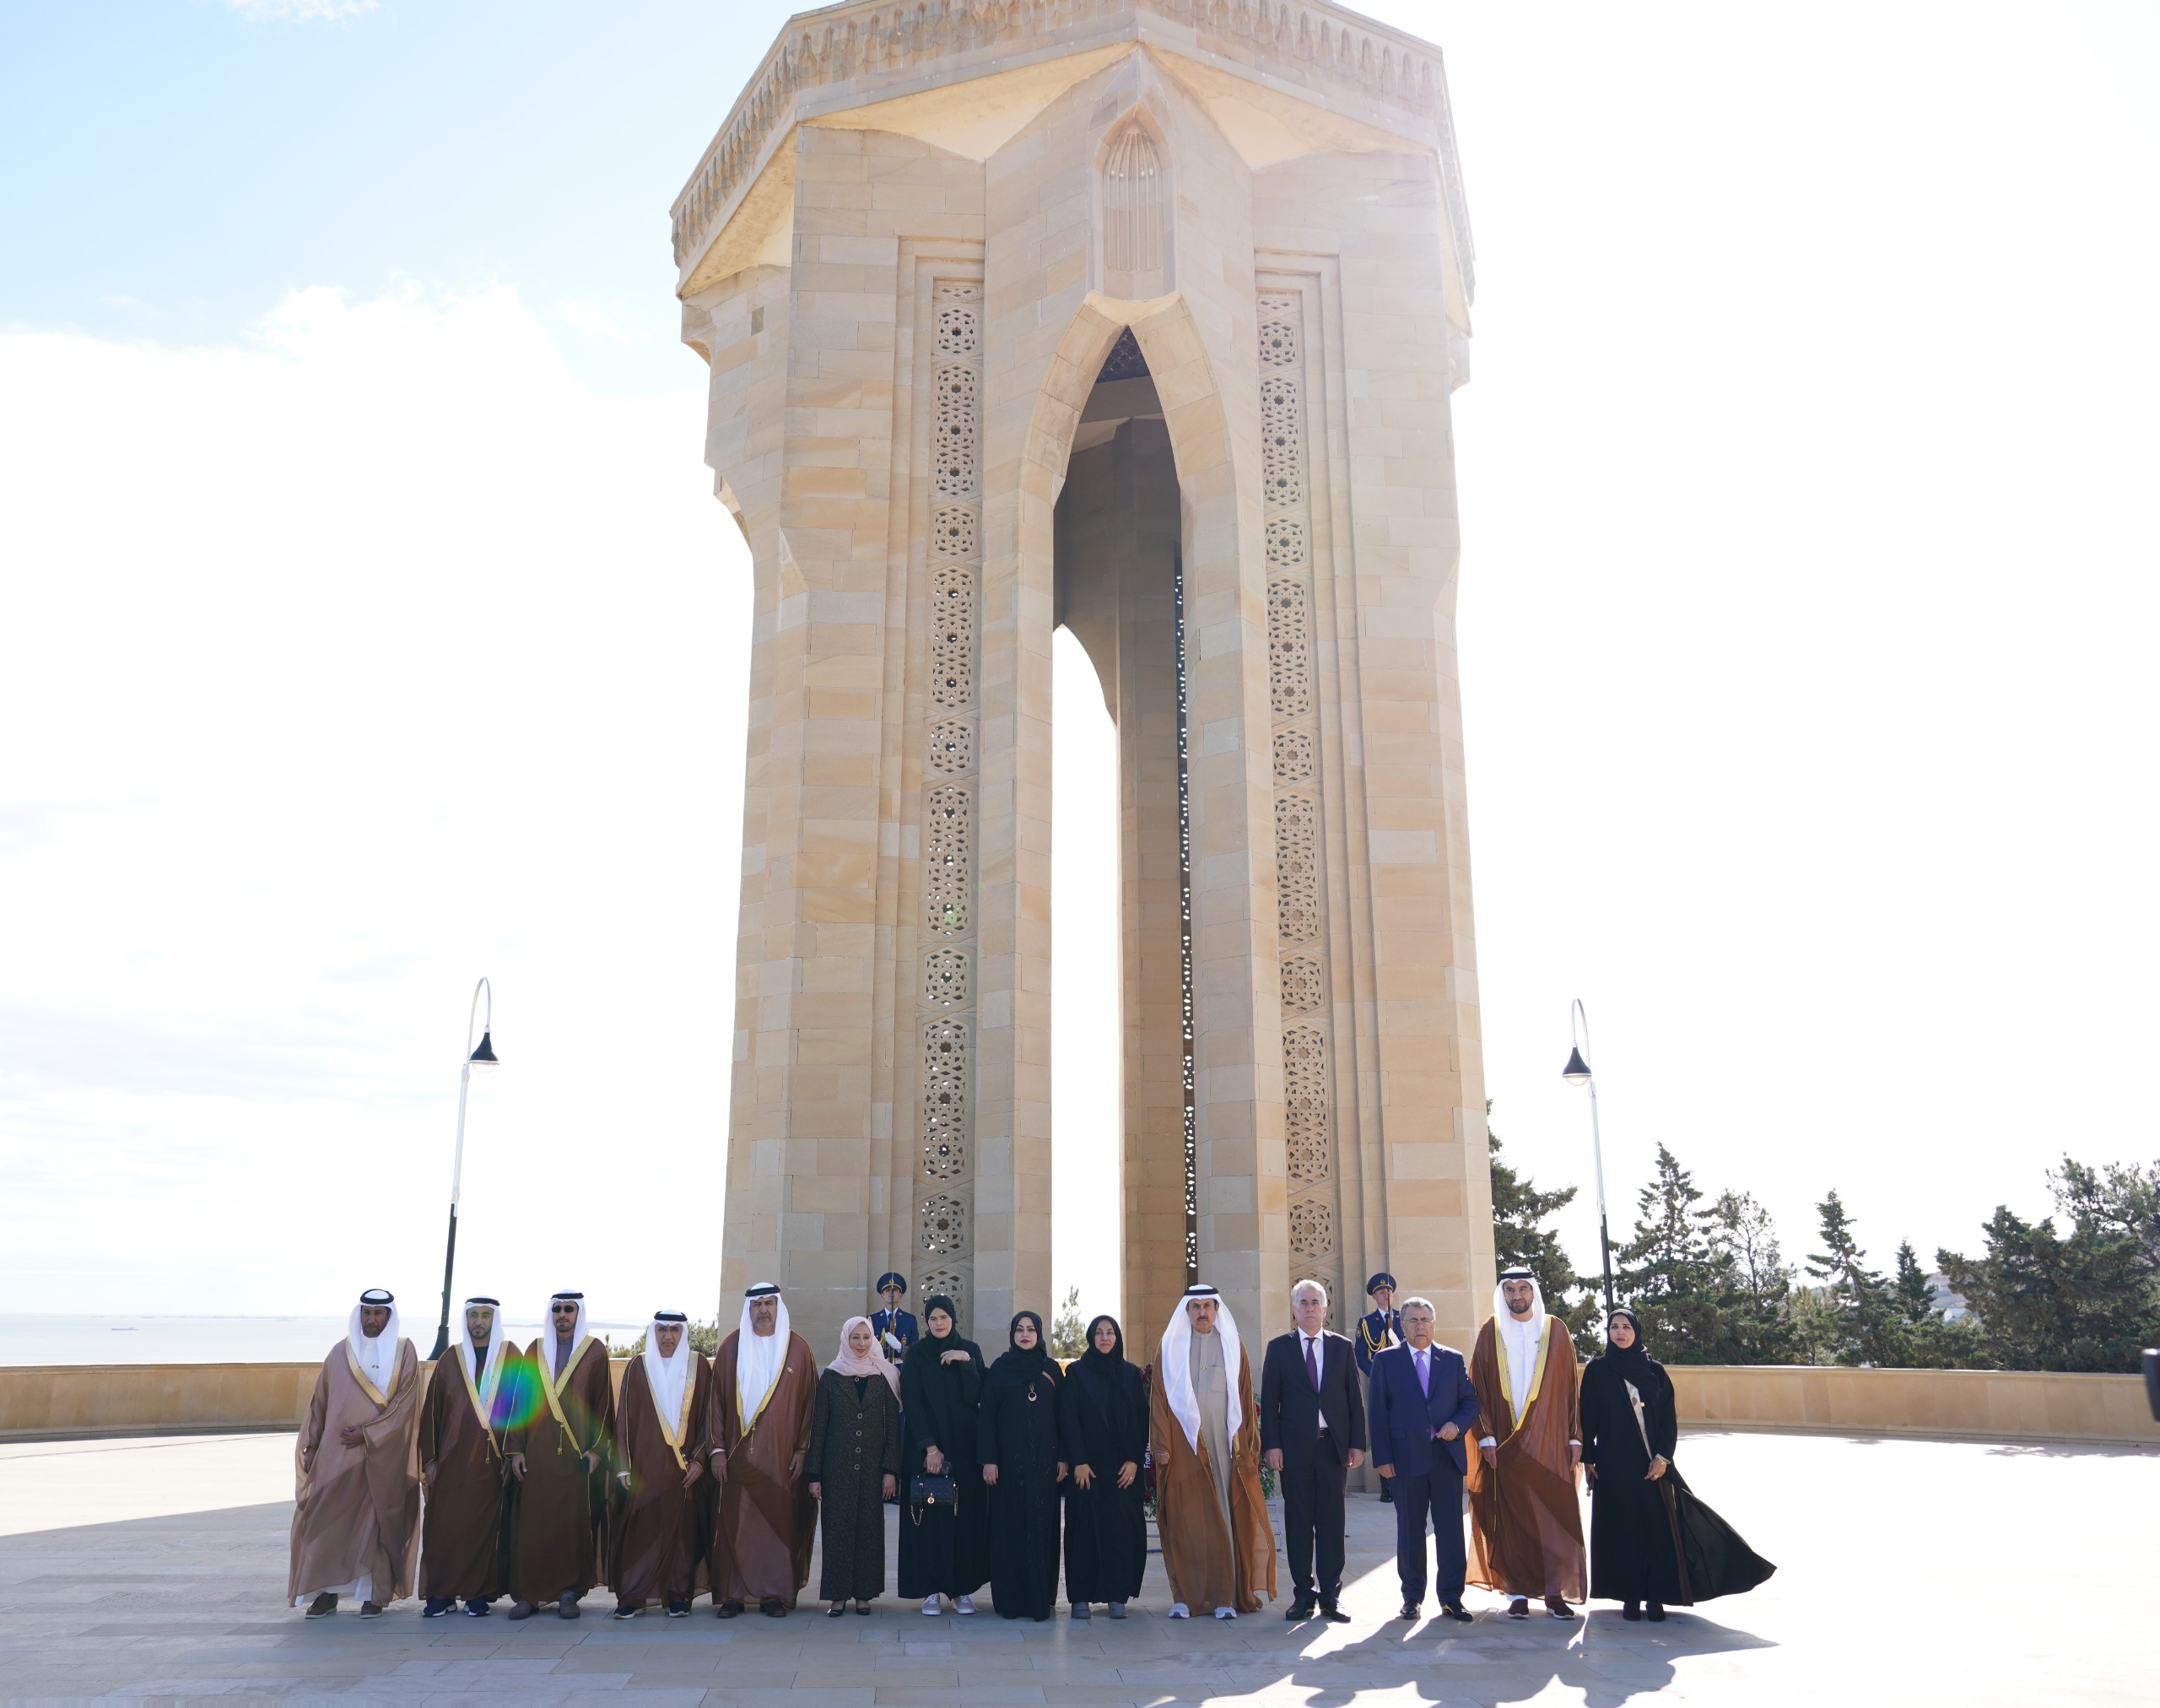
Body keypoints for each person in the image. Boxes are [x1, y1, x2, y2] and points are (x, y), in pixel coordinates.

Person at [1579, 1306, 1775, 1620]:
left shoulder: (1654, 1370)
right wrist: (1588, 1458)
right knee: (1623, 1530)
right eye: (1614, 1327)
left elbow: (1668, 1419)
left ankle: (1656, 1596)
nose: (1620, 1333)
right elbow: (1587, 1417)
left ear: (1636, 1331)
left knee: (1657, 1532)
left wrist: (1663, 1457)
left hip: (1652, 1467)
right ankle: (1630, 1597)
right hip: (1613, 1465)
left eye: (1626, 1327)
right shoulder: (1598, 1370)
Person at [289, 1288, 421, 1618]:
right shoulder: (339, 1353)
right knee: (327, 1523)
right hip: (336, 1458)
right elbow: (319, 1404)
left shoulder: (404, 1352)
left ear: (389, 1317)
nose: (371, 1319)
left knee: (374, 1526)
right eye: (366, 1313)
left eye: (378, 1314)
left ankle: (373, 1595)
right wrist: (311, 1446)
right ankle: (327, 1592)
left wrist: (368, 1433)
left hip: (382, 1457)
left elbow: (405, 1404)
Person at [1148, 1284, 1276, 1619]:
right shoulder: (1170, 1348)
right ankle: (1187, 1598)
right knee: (1185, 1521)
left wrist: (1250, 1446)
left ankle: (1226, 1597)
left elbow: (1246, 1400)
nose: (1203, 1312)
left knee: (1224, 1516)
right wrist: (1161, 1446)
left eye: (1208, 1306)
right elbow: (1158, 1400)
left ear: (1217, 1310)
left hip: (1225, 1449)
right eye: (1196, 1307)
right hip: (1182, 1448)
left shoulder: (1234, 1347)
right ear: (1187, 1311)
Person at [1467, 1267, 1587, 1619]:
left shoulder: (1555, 1330)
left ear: (1533, 1290)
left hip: (1550, 1441)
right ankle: (1516, 1590)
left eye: (1522, 1288)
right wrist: (1486, 1435)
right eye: (1509, 1290)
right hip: (1504, 1440)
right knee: (1513, 1517)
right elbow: (1478, 1388)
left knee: (1554, 1516)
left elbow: (1570, 1388)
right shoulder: (1492, 1332)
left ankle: (1555, 1592)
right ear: (1502, 1294)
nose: (1516, 1295)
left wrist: (1574, 1435)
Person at [707, 1282, 818, 1617]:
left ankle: (774, 1594)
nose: (763, 1310)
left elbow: (810, 1407)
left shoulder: (798, 1349)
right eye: (757, 1305)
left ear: (778, 1306)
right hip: (736, 1458)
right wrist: (716, 1451)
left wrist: (802, 1451)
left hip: (781, 1459)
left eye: (769, 1303)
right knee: (735, 1526)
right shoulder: (731, 1348)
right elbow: (715, 1404)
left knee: (777, 1525)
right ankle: (733, 1595)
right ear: (749, 1309)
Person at [1369, 1294, 1482, 1624]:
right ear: (1401, 1326)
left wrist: (1456, 1426)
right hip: (1405, 1460)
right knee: (1410, 1531)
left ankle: (1451, 1598)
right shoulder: (1386, 1361)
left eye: (1425, 1320)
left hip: (1446, 1457)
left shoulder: (1453, 1359)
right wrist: (1383, 1459)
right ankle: (1411, 1598)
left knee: (1449, 1531)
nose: (1420, 1326)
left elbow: (1470, 1403)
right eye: (1413, 1320)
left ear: (1434, 1324)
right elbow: (1377, 1413)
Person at [1259, 1279, 1365, 1622]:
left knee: (1332, 1522)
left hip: (1332, 1448)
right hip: (1294, 1452)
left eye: (1314, 1302)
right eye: (1302, 1302)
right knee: (1300, 1522)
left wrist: (1357, 1444)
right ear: (1294, 1309)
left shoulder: (1342, 1347)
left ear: (1325, 1307)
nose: (1309, 1308)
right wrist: (1271, 1446)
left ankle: (1331, 1596)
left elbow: (1354, 1400)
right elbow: (1270, 1402)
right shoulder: (1279, 1348)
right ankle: (1303, 1595)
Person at [505, 1291, 613, 1621]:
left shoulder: (594, 1351)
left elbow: (604, 1405)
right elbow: (518, 1403)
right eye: (557, 1309)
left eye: (569, 1309)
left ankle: (570, 1593)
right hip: (537, 1456)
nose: (562, 1314)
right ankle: (529, 1595)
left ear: (578, 1314)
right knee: (533, 1526)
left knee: (571, 1527)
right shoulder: (535, 1351)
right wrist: (517, 1450)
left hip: (577, 1459)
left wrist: (596, 1451)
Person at [610, 1310, 711, 1619]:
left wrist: (699, 1460)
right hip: (645, 1468)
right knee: (641, 1531)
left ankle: (678, 1595)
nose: (668, 1336)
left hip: (684, 1471)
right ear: (653, 1332)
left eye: (674, 1330)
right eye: (662, 1330)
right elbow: (624, 1418)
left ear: (683, 1334)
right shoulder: (638, 1366)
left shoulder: (699, 1367)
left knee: (682, 1534)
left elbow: (710, 1418)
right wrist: (623, 1466)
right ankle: (633, 1596)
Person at [418, 1296, 512, 1618]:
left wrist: (514, 1453)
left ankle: (477, 1594)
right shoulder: (450, 1358)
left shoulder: (510, 1357)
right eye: (473, 1315)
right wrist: (429, 1460)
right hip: (451, 1463)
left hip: (493, 1463)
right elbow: (432, 1411)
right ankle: (441, 1594)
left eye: (485, 1316)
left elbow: (525, 1408)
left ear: (494, 1320)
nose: (479, 1322)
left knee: (482, 1530)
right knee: (444, 1527)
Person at [898, 1293, 989, 1615]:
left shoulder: (971, 1351)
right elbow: (912, 1401)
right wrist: (930, 1448)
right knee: (931, 1516)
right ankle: (932, 1589)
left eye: (944, 1318)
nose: (939, 1323)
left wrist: (965, 1363)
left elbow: (977, 1395)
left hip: (965, 1449)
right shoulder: (917, 1355)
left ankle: (961, 1590)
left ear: (953, 1319)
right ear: (926, 1321)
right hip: (928, 1450)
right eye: (933, 1318)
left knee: (964, 1517)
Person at [805, 1316, 901, 1616]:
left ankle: (863, 1594)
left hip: (873, 1470)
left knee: (869, 1532)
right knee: (837, 1531)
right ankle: (837, 1595)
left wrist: (890, 1470)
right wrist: (815, 1474)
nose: (861, 1344)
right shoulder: (832, 1377)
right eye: (855, 1338)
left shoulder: (883, 1376)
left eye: (866, 1338)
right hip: (837, 1469)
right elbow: (819, 1427)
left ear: (873, 1340)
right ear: (845, 1339)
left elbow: (892, 1430)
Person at [978, 1310, 1066, 1621]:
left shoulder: (1052, 1369)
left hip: (1044, 1465)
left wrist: (1064, 1458)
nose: (1025, 1334)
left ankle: (1038, 1599)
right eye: (1019, 1329)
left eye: (1031, 1329)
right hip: (1007, 1467)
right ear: (1012, 1334)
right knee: (1009, 1529)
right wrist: (989, 1460)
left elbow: (1064, 1417)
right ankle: (1011, 1601)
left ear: (1039, 1334)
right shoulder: (1000, 1369)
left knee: (1041, 1528)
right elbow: (986, 1417)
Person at [1058, 1313, 1147, 1620]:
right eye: (1099, 1333)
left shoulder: (1129, 1374)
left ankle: (1116, 1595)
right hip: (1088, 1471)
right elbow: (1069, 1419)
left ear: (1117, 1337)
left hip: (1122, 1471)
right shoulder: (1077, 1373)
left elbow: (1140, 1420)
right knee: (1084, 1532)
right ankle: (1081, 1597)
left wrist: (1134, 1460)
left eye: (1110, 1332)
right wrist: (1079, 1461)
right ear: (1091, 1338)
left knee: (1119, 1533)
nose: (1105, 1338)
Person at [1355, 1273, 1404, 1504]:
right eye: (1381, 1292)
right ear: (1374, 1296)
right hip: (1380, 1384)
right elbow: (1360, 1355)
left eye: (1389, 1292)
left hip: (1405, 1383)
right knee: (1382, 1428)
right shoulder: (1366, 1322)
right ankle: (1387, 1486)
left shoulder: (1405, 1318)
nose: (1386, 1295)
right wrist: (1375, 1375)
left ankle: (1404, 1479)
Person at [870, 1273, 918, 1367]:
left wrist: (900, 1348)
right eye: (887, 1290)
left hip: (901, 1370)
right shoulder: (871, 1320)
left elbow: (915, 1352)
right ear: (882, 1296)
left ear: (900, 1295)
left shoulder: (910, 1320)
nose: (891, 1293)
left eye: (894, 1290)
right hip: (878, 1370)